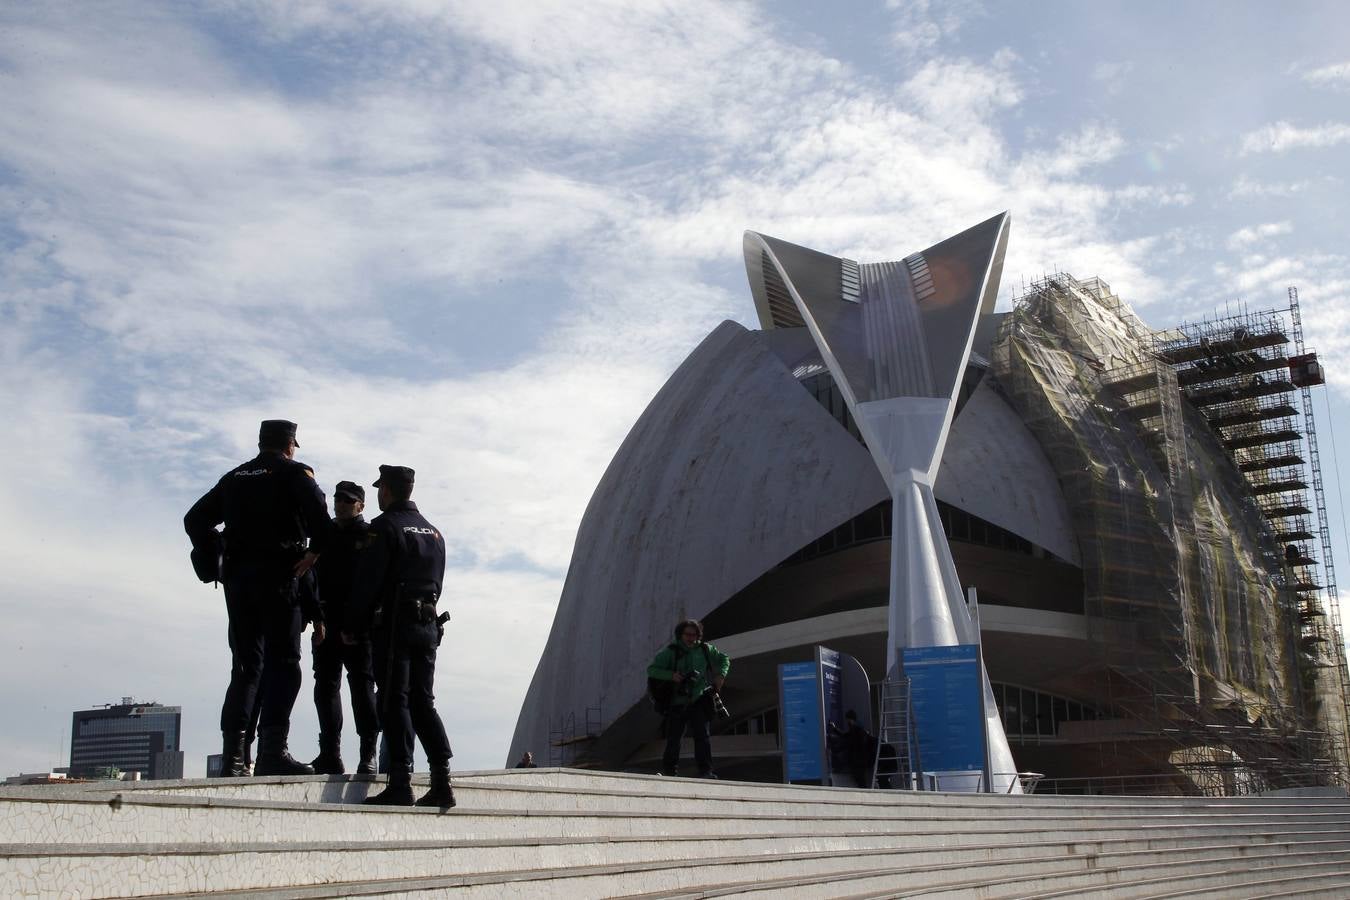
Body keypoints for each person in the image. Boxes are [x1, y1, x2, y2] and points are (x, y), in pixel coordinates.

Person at [184, 419, 330, 777]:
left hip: (239, 583)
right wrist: (315, 552)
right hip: (281, 579)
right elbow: (321, 522)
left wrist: (215, 555)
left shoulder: (236, 476)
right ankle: (271, 751)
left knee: (246, 668)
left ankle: (233, 758)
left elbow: (194, 519)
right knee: (285, 663)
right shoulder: (295, 474)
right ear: (290, 445)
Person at [345, 465, 455, 808]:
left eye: (380, 489)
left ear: (387, 491)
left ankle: (401, 780)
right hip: (427, 625)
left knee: (395, 701)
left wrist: (352, 625)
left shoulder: (384, 528)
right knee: (424, 702)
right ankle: (441, 779)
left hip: (395, 627)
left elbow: (368, 583)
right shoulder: (434, 533)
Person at [309, 481, 380, 775]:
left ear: (360, 506)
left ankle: (368, 753)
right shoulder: (324, 535)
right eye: (338, 500)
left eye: (348, 502)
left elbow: (374, 585)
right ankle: (330, 753)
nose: (341, 505)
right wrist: (315, 618)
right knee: (325, 687)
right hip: (327, 622)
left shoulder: (370, 536)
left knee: (362, 688)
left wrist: (361, 623)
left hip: (359, 628)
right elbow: (312, 578)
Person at [647, 619, 730, 779]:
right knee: (674, 738)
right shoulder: (671, 652)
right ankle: (670, 772)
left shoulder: (705, 649)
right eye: (688, 635)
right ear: (681, 635)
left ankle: (705, 771)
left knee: (703, 736)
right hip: (677, 702)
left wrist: (721, 675)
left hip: (699, 699)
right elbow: (652, 670)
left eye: (694, 635)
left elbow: (724, 659)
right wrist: (672, 676)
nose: (691, 638)